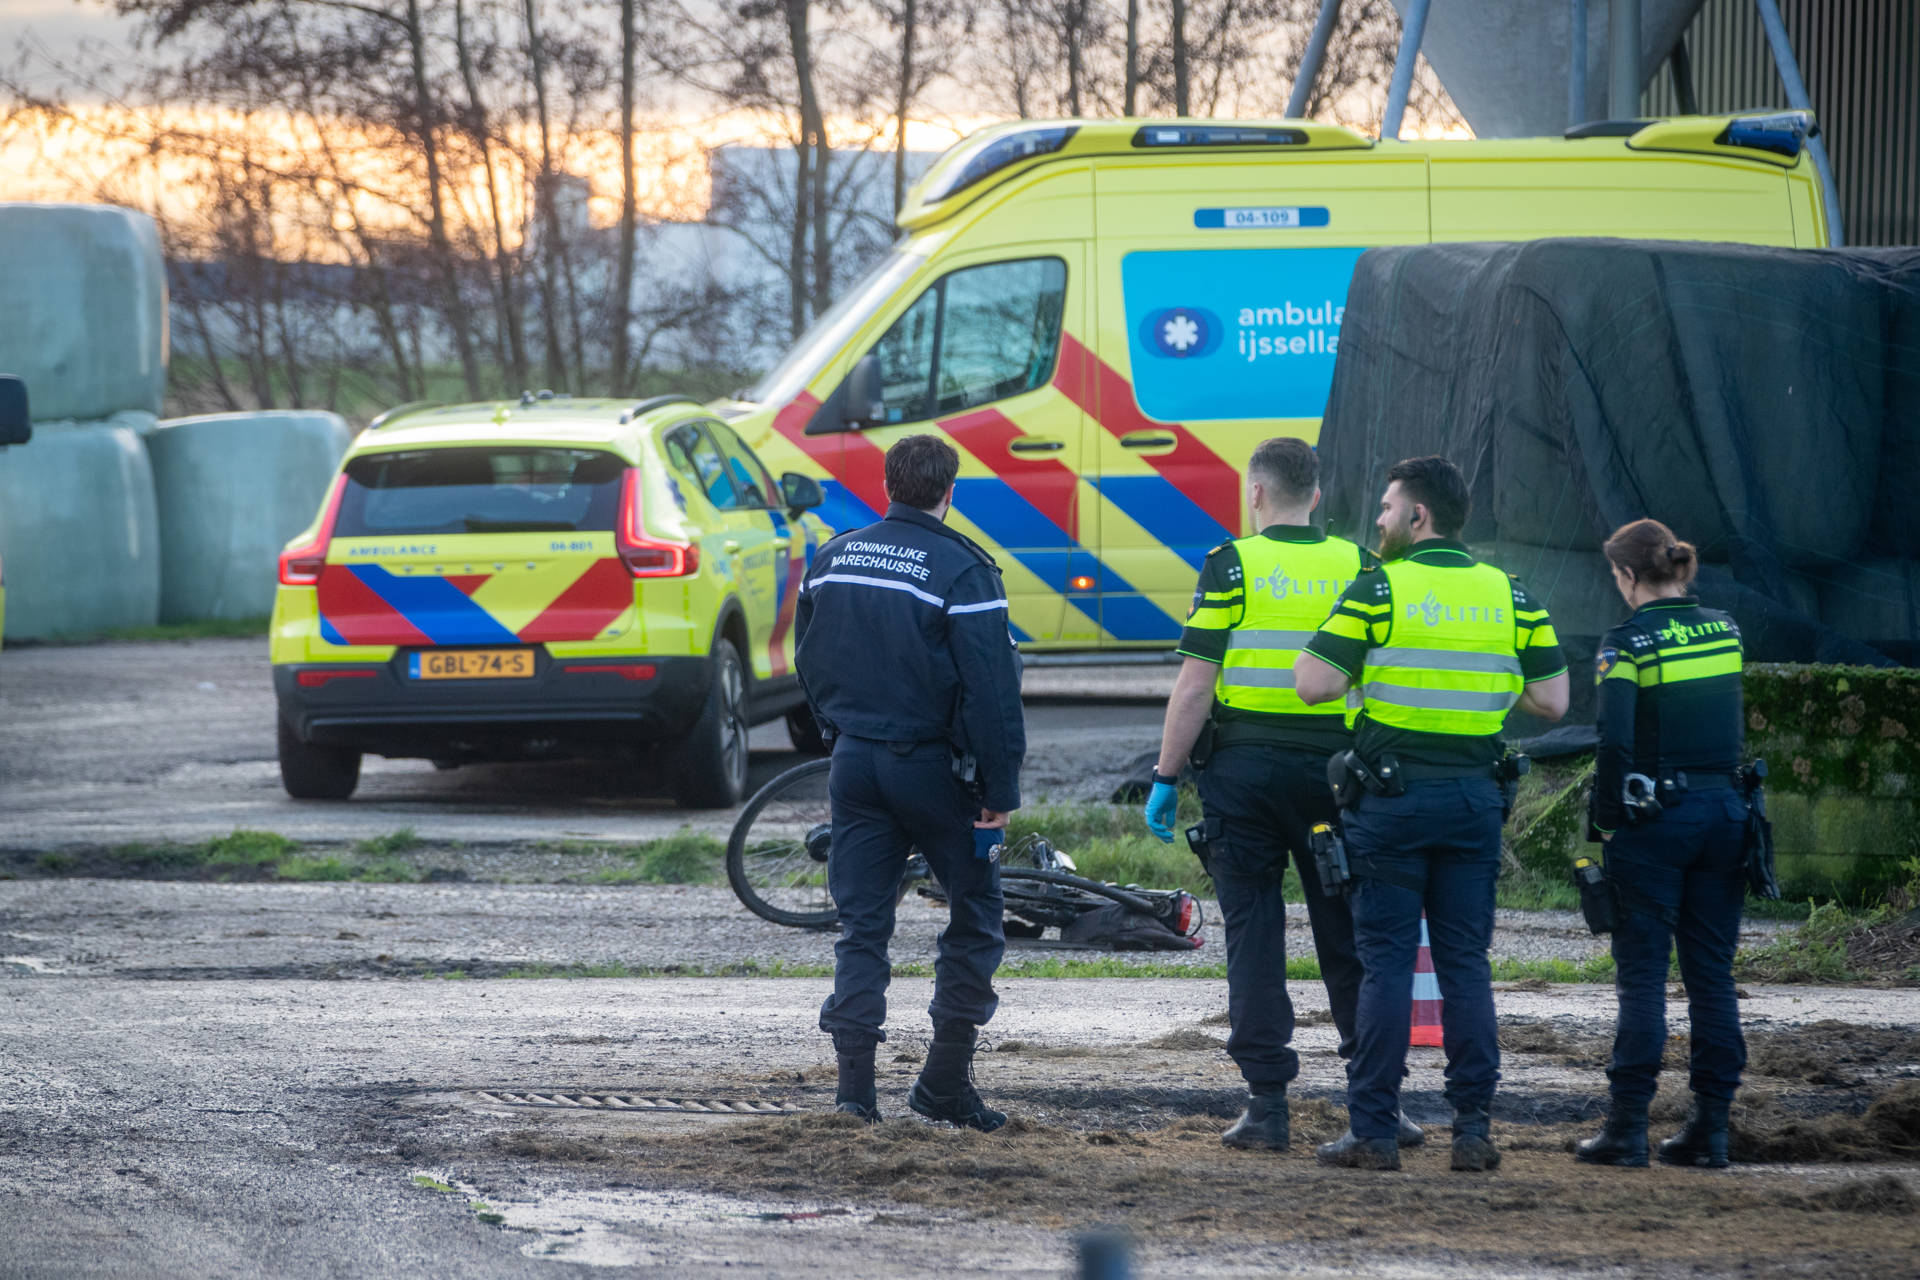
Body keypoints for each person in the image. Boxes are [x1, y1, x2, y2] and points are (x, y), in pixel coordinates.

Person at [1141, 437, 1422, 1152]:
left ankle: (1267, 1107)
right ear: (1318, 497)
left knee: (1254, 935)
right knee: (1349, 936)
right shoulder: (1363, 564)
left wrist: (1167, 776)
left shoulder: (1232, 563)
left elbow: (1196, 682)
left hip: (1245, 777)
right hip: (1338, 775)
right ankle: (1378, 1103)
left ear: (1256, 493)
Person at [1293, 455, 1569, 1172]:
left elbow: (1313, 685)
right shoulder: (1511, 593)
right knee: (1465, 966)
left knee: (1384, 965)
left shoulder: (1379, 586)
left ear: (1419, 517)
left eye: (1386, 509)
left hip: (1390, 802)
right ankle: (1473, 1131)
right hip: (1476, 800)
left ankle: (1376, 1132)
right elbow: (1552, 703)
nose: (1378, 521)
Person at [793, 433, 1026, 1130]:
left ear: (887, 483)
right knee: (976, 914)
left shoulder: (834, 557)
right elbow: (992, 694)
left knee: (863, 925)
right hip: (932, 772)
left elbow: (809, 661)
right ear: (949, 492)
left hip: (854, 766)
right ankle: (944, 1084)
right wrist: (999, 792)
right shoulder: (963, 571)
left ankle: (854, 1097)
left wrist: (837, 730)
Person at [1575, 519, 1750, 1170]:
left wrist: (1608, 820)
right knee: (1712, 977)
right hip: (1727, 815)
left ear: (1626, 576)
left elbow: (1615, 741)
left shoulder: (1627, 644)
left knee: (1643, 978)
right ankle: (1712, 1131)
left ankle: (1626, 1131)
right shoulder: (1725, 630)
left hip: (1657, 823)